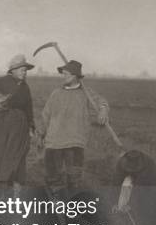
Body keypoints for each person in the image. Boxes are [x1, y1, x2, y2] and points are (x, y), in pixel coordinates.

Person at [38, 60, 109, 198]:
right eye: (63, 74)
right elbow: (45, 116)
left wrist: (103, 110)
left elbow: (101, 101)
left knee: (74, 180)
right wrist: (41, 135)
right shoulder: (56, 93)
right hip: (54, 143)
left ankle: (73, 210)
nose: (63, 76)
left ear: (76, 76)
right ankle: (57, 209)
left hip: (75, 143)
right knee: (53, 180)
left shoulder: (86, 93)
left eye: (67, 74)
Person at [0, 54, 35, 191]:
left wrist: (31, 126)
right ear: (13, 70)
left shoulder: (25, 87)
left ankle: (13, 181)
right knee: (0, 150)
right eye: (22, 70)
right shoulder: (2, 81)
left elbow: (28, 107)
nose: (24, 73)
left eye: (25, 70)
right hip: (3, 122)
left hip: (20, 124)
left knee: (18, 152)